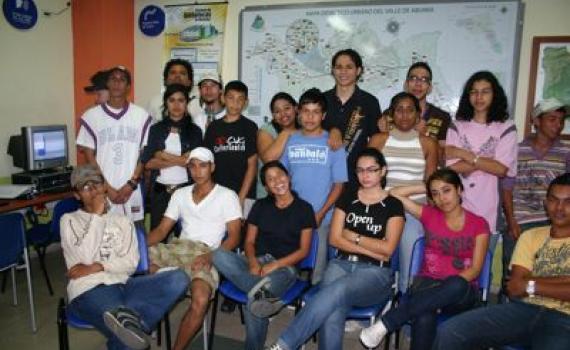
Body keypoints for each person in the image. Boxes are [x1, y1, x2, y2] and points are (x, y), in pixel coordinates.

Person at [266, 148, 405, 350]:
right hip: (340, 264)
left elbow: (388, 249)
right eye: (360, 170)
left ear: (382, 171)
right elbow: (334, 240)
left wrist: (354, 236)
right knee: (333, 309)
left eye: (371, 170)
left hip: (375, 273)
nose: (365, 175)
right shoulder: (347, 198)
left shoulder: (393, 205)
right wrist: (374, 248)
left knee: (337, 290)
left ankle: (284, 344)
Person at [432, 173, 570, 350]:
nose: (559, 208)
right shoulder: (530, 236)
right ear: (545, 202)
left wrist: (530, 284)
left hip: (564, 320)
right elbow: (514, 288)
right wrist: (563, 282)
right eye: (554, 200)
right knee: (449, 332)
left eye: (568, 202)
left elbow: (523, 284)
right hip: (523, 311)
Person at [61, 164, 189, 350]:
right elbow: (85, 256)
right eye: (85, 187)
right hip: (90, 290)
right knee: (128, 340)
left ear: (105, 186)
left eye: (96, 183)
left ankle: (131, 323)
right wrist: (97, 215)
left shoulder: (123, 221)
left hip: (125, 285)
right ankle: (132, 326)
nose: (93, 190)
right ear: (77, 195)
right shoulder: (69, 220)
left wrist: (98, 266)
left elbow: (130, 263)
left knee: (179, 278)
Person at [359, 168, 490, 350]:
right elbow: (393, 194)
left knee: (456, 284)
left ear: (459, 190)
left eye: (447, 190)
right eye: (435, 194)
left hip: (461, 293)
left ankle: (387, 323)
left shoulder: (479, 223)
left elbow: (476, 269)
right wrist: (426, 186)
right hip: (428, 284)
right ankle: (399, 318)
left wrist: (448, 289)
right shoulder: (428, 214)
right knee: (424, 313)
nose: (441, 198)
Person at [213, 161, 316, 350]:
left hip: (285, 269)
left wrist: (275, 265)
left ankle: (261, 304)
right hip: (255, 262)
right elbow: (249, 242)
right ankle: (268, 297)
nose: (277, 181)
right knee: (218, 256)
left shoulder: (304, 209)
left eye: (280, 175)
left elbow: (304, 251)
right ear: (267, 187)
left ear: (289, 177)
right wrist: (252, 262)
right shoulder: (260, 206)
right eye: (270, 179)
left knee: (255, 300)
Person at [147, 147, 242, 350]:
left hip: (207, 252)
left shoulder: (227, 195)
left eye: (203, 165)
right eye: (193, 165)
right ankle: (132, 323)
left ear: (212, 167)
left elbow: (235, 237)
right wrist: (134, 246)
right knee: (135, 264)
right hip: (178, 248)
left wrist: (212, 256)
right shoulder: (180, 194)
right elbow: (162, 230)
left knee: (200, 300)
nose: (197, 171)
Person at [369, 92, 438, 291]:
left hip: (414, 211)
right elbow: (367, 177)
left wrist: (402, 192)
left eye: (410, 110)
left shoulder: (428, 143)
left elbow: (432, 184)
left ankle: (405, 294)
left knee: (411, 244)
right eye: (399, 110)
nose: (405, 115)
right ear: (391, 114)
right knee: (378, 256)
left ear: (418, 114)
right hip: (382, 209)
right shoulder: (379, 140)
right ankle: (379, 294)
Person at [500, 98, 570, 296]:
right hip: (519, 222)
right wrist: (512, 221)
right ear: (536, 121)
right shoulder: (516, 150)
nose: (558, 125)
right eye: (552, 119)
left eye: (561, 120)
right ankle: (506, 314)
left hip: (554, 223)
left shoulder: (566, 152)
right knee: (512, 275)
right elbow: (506, 188)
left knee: (549, 273)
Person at [280, 88, 348, 284]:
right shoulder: (291, 140)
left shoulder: (334, 144)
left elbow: (338, 185)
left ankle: (312, 298)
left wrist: (320, 213)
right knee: (287, 263)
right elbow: (283, 178)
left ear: (323, 115)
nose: (310, 117)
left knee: (316, 270)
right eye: (306, 111)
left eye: (316, 112)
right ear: (298, 113)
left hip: (322, 216)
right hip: (292, 213)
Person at [445, 70, 517, 252]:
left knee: (483, 269)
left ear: (495, 94)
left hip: (489, 211)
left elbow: (502, 170)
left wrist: (464, 154)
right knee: (456, 263)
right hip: (457, 207)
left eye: (485, 91)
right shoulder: (457, 125)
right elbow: (451, 169)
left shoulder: (506, 127)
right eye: (474, 92)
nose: (479, 97)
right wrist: (488, 162)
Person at [76, 66, 152, 224]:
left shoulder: (141, 116)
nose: (117, 83)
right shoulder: (92, 116)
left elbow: (144, 154)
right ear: (107, 84)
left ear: (128, 87)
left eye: (122, 79)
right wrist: (106, 187)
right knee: (105, 236)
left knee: (136, 235)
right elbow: (89, 156)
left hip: (132, 189)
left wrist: (131, 184)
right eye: (113, 79)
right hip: (103, 188)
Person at [141, 84, 203, 239]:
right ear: (165, 103)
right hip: (160, 191)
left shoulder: (195, 131)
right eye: (172, 100)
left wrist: (162, 155)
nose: (176, 105)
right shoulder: (155, 129)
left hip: (186, 191)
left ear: (186, 104)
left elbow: (194, 162)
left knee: (186, 237)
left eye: (181, 100)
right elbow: (148, 163)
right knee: (158, 239)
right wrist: (180, 160)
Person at [323, 49, 382, 184]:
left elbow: (376, 138)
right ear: (333, 70)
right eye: (339, 67)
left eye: (349, 67)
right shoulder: (322, 100)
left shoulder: (370, 102)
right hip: (324, 172)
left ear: (358, 70)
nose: (343, 71)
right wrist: (333, 130)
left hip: (357, 175)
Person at [204, 80, 258, 215]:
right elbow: (207, 163)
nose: (235, 103)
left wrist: (241, 197)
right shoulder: (213, 127)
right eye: (231, 98)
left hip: (244, 194)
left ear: (246, 102)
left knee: (242, 234)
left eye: (240, 99)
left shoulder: (250, 127)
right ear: (223, 98)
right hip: (217, 194)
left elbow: (252, 164)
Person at [256, 92, 300, 198]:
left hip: (296, 194)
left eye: (287, 108)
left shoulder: (305, 129)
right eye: (277, 111)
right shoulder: (266, 130)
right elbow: (269, 160)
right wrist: (286, 132)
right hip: (270, 195)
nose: (283, 114)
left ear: (296, 108)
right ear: (273, 116)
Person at [147, 58, 200, 123]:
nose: (177, 76)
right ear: (166, 80)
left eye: (182, 73)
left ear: (189, 81)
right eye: (173, 73)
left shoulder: (199, 103)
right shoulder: (155, 102)